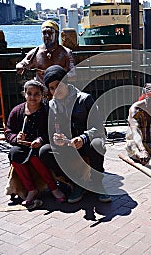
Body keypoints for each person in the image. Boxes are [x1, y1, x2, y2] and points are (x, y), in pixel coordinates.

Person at [39, 65, 112, 203]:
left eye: (58, 85)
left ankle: (97, 183)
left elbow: (98, 127)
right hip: (66, 146)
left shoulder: (84, 99)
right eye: (52, 88)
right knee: (45, 151)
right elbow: (50, 131)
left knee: (97, 144)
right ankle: (75, 183)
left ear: (66, 83)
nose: (56, 90)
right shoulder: (50, 106)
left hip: (84, 143)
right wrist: (56, 139)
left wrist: (83, 138)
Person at [5, 80, 66, 206]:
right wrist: (16, 138)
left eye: (36, 94)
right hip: (23, 146)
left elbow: (53, 130)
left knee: (35, 156)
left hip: (41, 146)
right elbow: (8, 131)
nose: (33, 97)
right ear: (25, 94)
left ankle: (53, 188)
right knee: (13, 153)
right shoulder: (17, 111)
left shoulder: (47, 111)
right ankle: (31, 189)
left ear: (42, 95)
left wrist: (41, 140)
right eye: (29, 94)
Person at [15, 20, 75, 85]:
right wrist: (20, 66)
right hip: (41, 91)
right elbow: (21, 64)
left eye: (50, 33)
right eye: (44, 33)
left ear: (57, 34)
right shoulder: (35, 52)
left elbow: (73, 74)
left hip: (59, 91)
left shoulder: (66, 52)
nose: (46, 36)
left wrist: (52, 73)